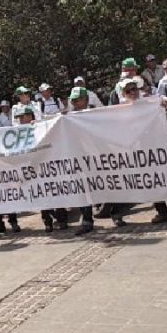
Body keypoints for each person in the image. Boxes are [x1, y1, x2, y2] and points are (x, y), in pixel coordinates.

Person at [119, 78, 167, 224]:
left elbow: (164, 100)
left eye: (134, 88)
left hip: (158, 144)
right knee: (151, 181)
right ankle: (162, 212)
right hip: (141, 148)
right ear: (124, 93)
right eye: (129, 90)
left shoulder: (149, 100)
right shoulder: (122, 107)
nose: (133, 92)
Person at [15, 105, 68, 232]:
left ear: (29, 116)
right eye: (19, 118)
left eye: (22, 117)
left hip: (46, 163)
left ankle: (61, 219)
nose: (20, 121)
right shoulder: (18, 131)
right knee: (41, 194)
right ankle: (47, 222)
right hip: (32, 166)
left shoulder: (40, 125)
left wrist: (37, 124)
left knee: (54, 192)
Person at [67, 87, 96, 235]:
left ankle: (116, 213)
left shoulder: (95, 113)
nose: (76, 103)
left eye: (79, 100)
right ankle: (87, 220)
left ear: (86, 99)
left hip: (97, 156)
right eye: (74, 100)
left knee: (106, 185)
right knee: (83, 189)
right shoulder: (69, 117)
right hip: (79, 156)